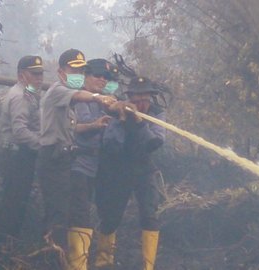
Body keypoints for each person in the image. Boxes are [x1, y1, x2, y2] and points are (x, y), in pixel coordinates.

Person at [35, 49, 117, 269]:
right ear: (61, 71)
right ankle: (53, 262)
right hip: (52, 157)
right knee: (57, 215)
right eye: (74, 70)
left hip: (63, 158)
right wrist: (101, 98)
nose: (78, 74)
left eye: (81, 70)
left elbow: (74, 125)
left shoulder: (68, 97)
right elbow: (82, 95)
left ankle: (64, 262)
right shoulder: (58, 91)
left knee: (65, 214)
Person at [94, 76, 166, 270]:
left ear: (151, 98)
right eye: (136, 99)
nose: (141, 103)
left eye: (145, 99)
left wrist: (139, 123)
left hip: (144, 168)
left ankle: (148, 266)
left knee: (150, 215)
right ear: (129, 98)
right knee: (111, 215)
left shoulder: (157, 114)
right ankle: (103, 261)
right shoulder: (117, 112)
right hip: (119, 169)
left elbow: (155, 142)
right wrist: (123, 119)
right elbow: (111, 144)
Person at [67, 58, 117, 269]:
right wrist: (96, 125)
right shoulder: (77, 99)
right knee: (80, 214)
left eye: (105, 77)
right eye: (97, 76)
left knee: (107, 210)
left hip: (101, 165)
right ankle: (77, 265)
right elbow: (72, 128)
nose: (102, 80)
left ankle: (104, 261)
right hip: (79, 163)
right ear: (86, 76)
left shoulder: (108, 101)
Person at [0, 55, 44, 240]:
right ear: (22, 75)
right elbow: (20, 131)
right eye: (34, 74)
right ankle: (0, 246)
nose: (39, 78)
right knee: (13, 204)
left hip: (19, 155)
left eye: (41, 74)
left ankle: (6, 245)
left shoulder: (29, 94)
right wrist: (43, 145)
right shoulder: (21, 96)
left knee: (15, 202)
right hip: (16, 156)